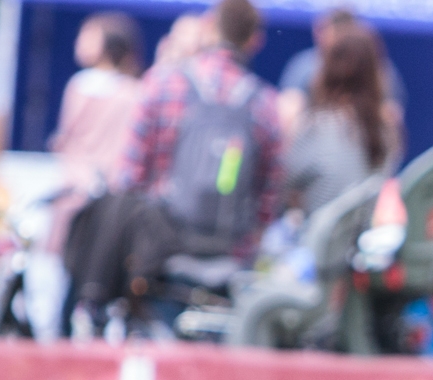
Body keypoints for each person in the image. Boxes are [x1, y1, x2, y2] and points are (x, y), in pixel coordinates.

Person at [122, 0, 282, 260]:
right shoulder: (264, 104)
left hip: (159, 248)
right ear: (256, 40)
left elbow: (131, 176)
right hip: (228, 257)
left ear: (208, 27)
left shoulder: (163, 83)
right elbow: (268, 197)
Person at [32, 13, 144, 339]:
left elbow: (66, 141)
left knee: (57, 271)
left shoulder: (81, 86)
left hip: (73, 193)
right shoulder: (132, 91)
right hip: (108, 200)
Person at [284, 26, 393, 216]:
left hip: (315, 239)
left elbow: (283, 183)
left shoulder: (316, 127)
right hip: (357, 241)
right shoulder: (385, 132)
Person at [277, 7, 405, 139]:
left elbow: (392, 116)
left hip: (366, 140)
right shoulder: (305, 66)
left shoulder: (380, 69)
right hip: (317, 137)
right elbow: (288, 111)